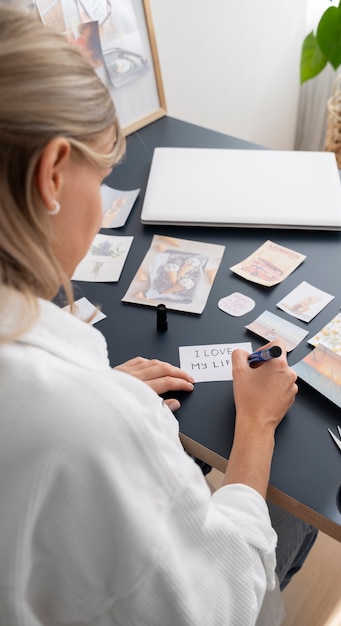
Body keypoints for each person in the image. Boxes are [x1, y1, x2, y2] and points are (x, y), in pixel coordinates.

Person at [0, 7, 316, 625]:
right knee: (296, 507)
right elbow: (222, 598)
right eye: (106, 174)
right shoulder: (86, 424)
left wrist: (99, 392)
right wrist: (254, 425)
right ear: (52, 173)